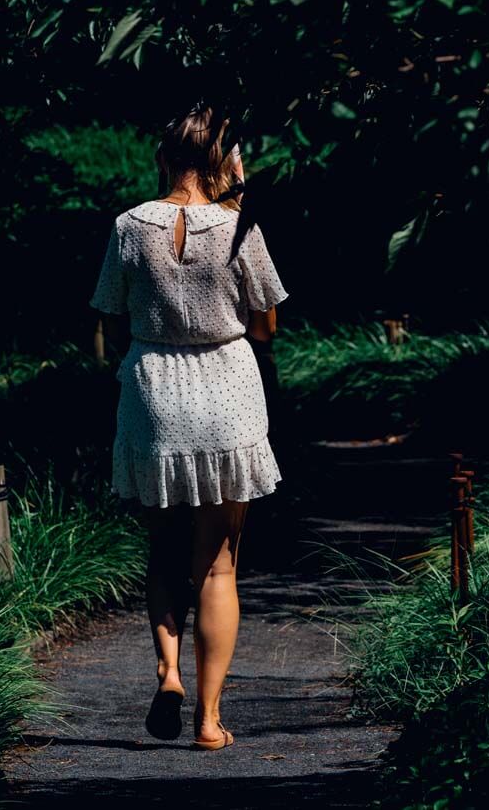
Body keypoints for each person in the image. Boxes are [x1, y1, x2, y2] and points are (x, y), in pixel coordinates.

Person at [88, 104, 289, 751]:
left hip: (153, 392)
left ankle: (169, 671)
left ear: (165, 156)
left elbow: (111, 320)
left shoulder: (128, 227)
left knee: (163, 547)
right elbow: (264, 325)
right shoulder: (238, 228)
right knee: (219, 563)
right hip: (226, 387)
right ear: (218, 162)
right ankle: (208, 719)